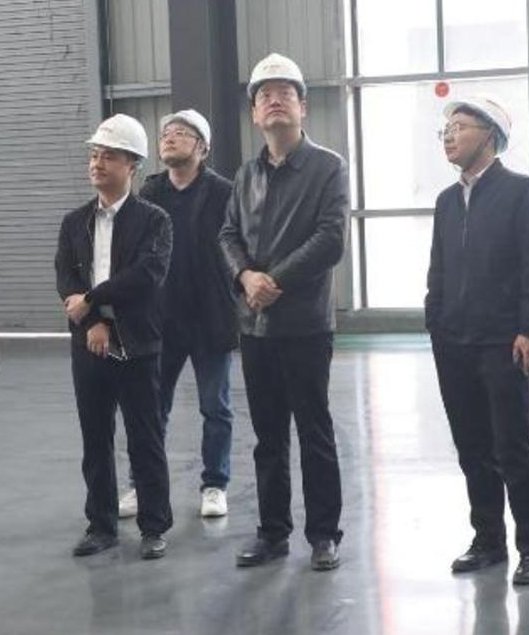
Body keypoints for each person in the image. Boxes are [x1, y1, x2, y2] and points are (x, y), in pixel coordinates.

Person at [218, 53, 351, 572]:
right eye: (265, 96)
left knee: (314, 431)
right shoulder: (245, 175)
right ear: (255, 113)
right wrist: (245, 277)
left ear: (303, 108)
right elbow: (228, 234)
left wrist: (274, 280)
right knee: (268, 435)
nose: (275, 101)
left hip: (305, 325)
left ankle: (323, 535)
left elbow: (330, 238)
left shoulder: (328, 167)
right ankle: (273, 533)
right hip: (255, 325)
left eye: (285, 94)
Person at [425, 96, 529, 586]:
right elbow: (438, 268)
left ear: (490, 135)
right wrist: (435, 321)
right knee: (472, 447)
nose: (449, 135)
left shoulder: (520, 192)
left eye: (459, 126)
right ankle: (488, 540)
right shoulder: (446, 201)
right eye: (445, 129)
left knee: (513, 446)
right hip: (453, 342)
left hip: (504, 342)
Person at [55, 114, 175, 560]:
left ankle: (154, 527)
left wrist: (92, 298)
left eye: (108, 156)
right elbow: (65, 277)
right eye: (94, 155)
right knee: (95, 438)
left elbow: (146, 275)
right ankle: (101, 525)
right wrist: (92, 320)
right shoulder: (74, 222)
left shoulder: (154, 221)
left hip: (138, 344)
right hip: (89, 344)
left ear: (133, 165)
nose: (97, 163)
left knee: (145, 438)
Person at [136, 108, 238, 519]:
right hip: (162, 320)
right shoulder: (150, 191)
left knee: (215, 407)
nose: (170, 137)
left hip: (211, 317)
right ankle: (143, 484)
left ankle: (215, 484)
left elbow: (239, 246)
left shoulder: (224, 192)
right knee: (151, 408)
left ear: (202, 147)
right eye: (166, 133)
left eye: (181, 132)